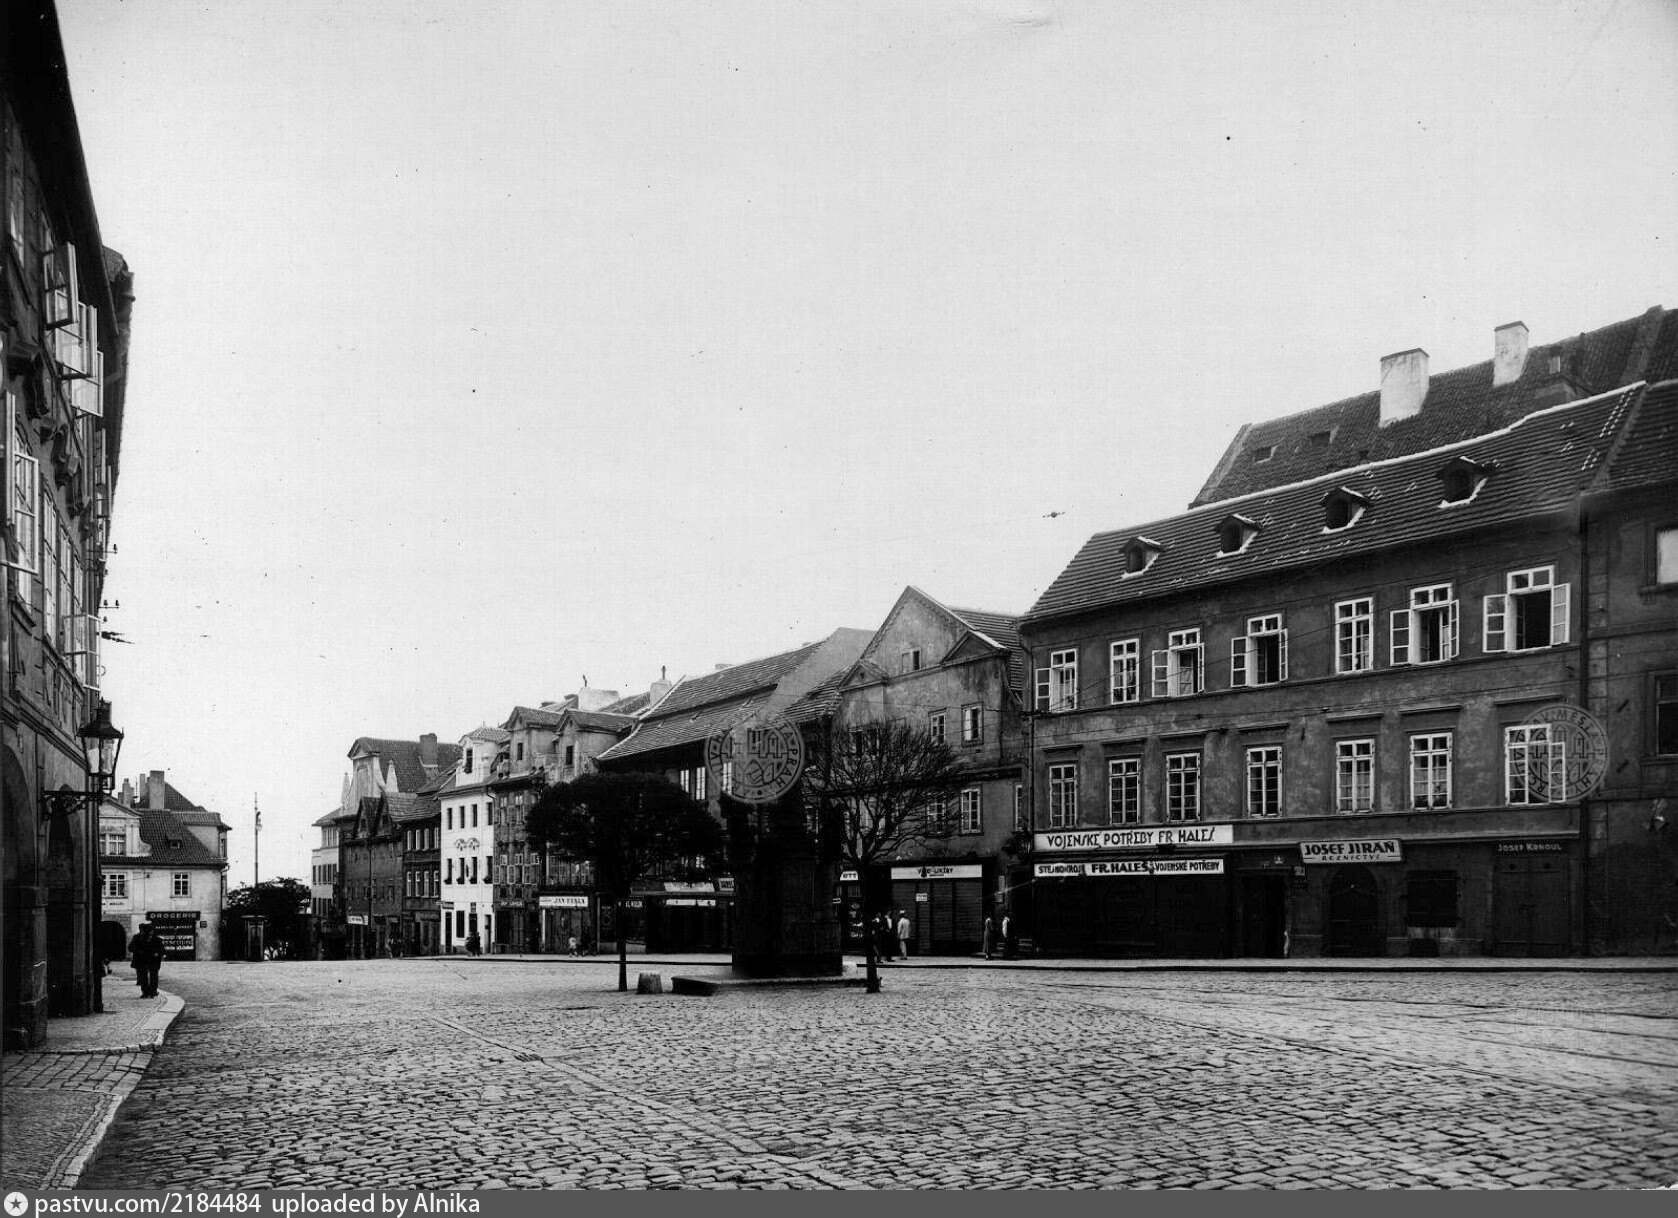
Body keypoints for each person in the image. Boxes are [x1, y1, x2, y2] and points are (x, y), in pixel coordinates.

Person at [128, 923, 165, 999]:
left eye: (151, 932)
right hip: (142, 960)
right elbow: (130, 948)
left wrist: (157, 953)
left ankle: (153, 991)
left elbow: (162, 950)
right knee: (143, 977)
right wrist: (139, 951)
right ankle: (145, 992)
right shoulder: (138, 938)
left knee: (154, 976)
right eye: (149, 933)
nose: (150, 935)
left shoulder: (157, 939)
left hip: (153, 960)